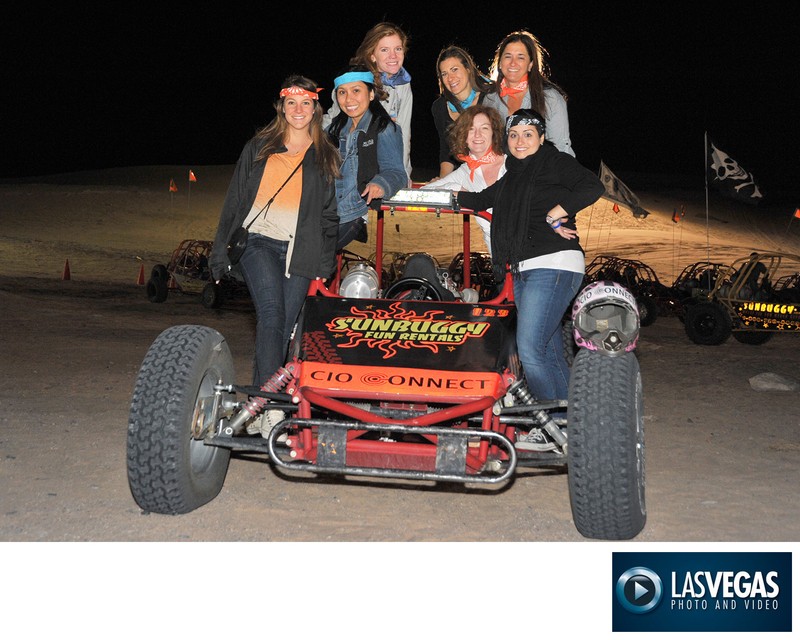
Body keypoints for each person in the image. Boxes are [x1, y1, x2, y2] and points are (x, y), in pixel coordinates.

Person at [456, 109, 603, 408]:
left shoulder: (555, 162)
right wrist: (423, 193)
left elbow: (593, 186)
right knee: (546, 350)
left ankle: (550, 420)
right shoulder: (513, 177)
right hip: (524, 269)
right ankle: (567, 419)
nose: (519, 141)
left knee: (530, 350)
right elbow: (478, 199)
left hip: (554, 263)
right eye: (513, 134)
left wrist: (557, 212)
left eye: (528, 134)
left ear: (542, 137)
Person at [209, 75, 340, 389]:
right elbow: (235, 200)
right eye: (291, 103)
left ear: (315, 108)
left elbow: (329, 215)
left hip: (300, 252)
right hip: (259, 241)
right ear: (281, 107)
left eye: (305, 103)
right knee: (271, 314)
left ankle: (258, 403)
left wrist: (324, 264)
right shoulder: (260, 146)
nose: (298, 109)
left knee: (283, 331)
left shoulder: (324, 153)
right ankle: (270, 407)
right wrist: (218, 253)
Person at [327, 65, 407, 251]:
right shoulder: (333, 130)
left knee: (312, 259)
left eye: (356, 90)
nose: (349, 99)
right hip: (324, 211)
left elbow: (397, 173)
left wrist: (380, 184)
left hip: (352, 214)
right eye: (342, 92)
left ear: (371, 94)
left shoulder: (384, 128)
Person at [326, 22, 413, 180]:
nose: (393, 56)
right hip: (352, 163)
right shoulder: (353, 81)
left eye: (398, 49)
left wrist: (402, 175)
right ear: (372, 55)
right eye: (384, 50)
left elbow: (404, 132)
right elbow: (333, 122)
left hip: (385, 162)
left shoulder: (403, 84)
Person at [424, 104, 506, 254]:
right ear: (463, 136)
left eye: (484, 128)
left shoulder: (511, 164)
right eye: (471, 129)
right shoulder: (464, 172)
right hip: (498, 256)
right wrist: (454, 189)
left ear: (494, 133)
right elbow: (424, 193)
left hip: (533, 249)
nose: (478, 135)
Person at [483, 30, 574, 157]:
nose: (513, 63)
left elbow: (561, 148)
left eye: (520, 57)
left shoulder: (550, 98)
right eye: (508, 56)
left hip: (544, 171)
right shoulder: (490, 99)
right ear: (500, 63)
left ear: (531, 64)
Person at [430, 45, 494, 177]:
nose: (450, 78)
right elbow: (446, 151)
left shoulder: (491, 98)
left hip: (491, 171)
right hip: (460, 175)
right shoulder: (439, 107)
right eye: (444, 74)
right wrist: (443, 182)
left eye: (454, 70)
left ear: (468, 69)